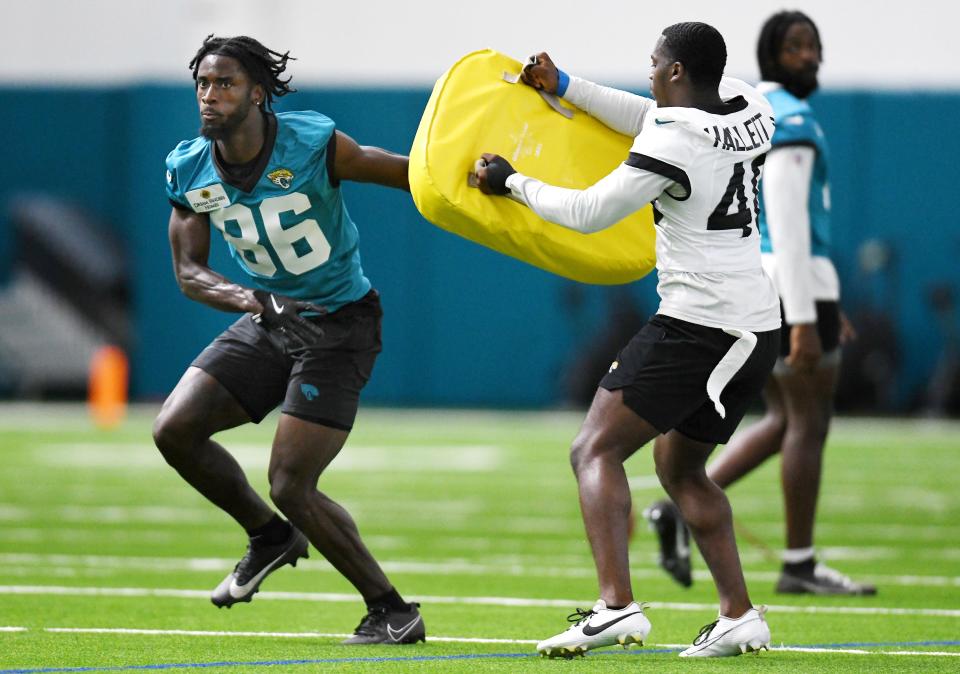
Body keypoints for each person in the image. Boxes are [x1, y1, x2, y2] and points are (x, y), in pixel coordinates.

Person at [474, 22, 779, 658]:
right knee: (679, 468)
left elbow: (590, 213)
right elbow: (650, 115)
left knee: (593, 449)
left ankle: (616, 608)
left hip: (701, 324)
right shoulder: (752, 104)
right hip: (754, 320)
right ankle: (739, 615)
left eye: (653, 63)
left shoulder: (676, 139)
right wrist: (565, 87)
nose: (647, 73)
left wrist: (512, 182)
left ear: (674, 71)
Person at [151, 35, 425, 645]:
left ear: (256, 91)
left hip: (340, 324)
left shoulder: (308, 142)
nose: (209, 96)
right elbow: (189, 273)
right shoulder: (189, 166)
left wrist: (482, 184)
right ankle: (269, 535)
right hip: (270, 317)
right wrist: (255, 300)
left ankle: (392, 609)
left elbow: (408, 176)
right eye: (202, 84)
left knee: (290, 483)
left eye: (224, 83)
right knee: (174, 430)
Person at [646, 11, 876, 597]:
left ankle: (678, 507)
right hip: (785, 287)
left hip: (765, 282)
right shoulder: (789, 119)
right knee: (808, 423)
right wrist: (805, 314)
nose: (812, 57)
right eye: (799, 47)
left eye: (816, 46)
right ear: (772, 54)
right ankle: (798, 562)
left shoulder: (745, 112)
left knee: (781, 423)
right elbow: (790, 226)